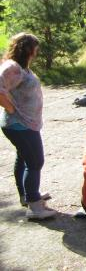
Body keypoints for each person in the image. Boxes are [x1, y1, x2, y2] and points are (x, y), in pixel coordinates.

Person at [0, 33, 56, 219]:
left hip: (25, 123)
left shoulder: (21, 67)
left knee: (24, 158)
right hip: (19, 124)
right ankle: (35, 207)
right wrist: (10, 108)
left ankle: (27, 196)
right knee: (35, 162)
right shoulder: (12, 67)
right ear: (28, 48)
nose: (37, 50)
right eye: (35, 47)